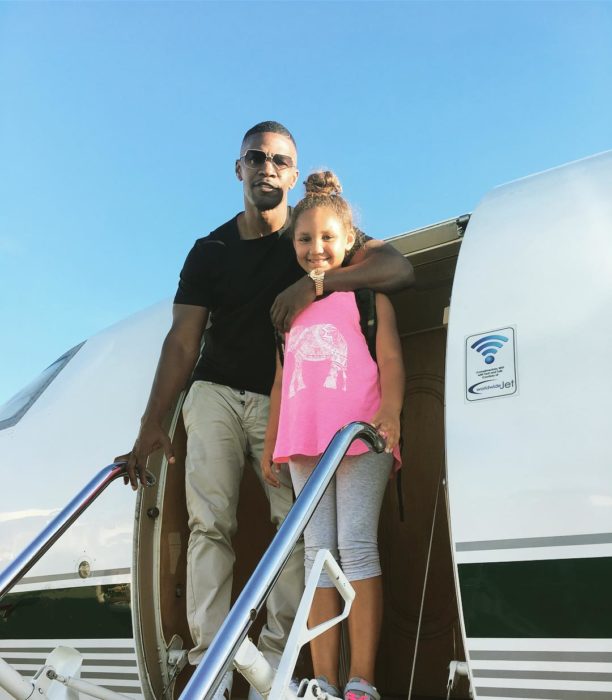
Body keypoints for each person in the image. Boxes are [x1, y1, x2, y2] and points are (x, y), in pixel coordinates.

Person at [117, 122, 413, 700]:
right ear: (240, 168)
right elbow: (182, 341)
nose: (267, 168)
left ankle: (280, 664)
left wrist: (317, 284)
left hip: (298, 412)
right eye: (257, 158)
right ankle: (212, 666)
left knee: (299, 535)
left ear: (295, 175)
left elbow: (396, 268)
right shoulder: (210, 250)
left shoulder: (310, 237)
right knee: (210, 525)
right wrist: (152, 424)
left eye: (280, 160)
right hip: (223, 395)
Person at [261, 171, 404, 700]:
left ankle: (360, 678)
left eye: (328, 237)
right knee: (319, 553)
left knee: (357, 548)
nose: (316, 248)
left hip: (360, 439)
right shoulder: (289, 312)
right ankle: (322, 677)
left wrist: (390, 414)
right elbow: (282, 380)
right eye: (304, 238)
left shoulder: (368, 297)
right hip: (304, 445)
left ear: (350, 242)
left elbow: (390, 360)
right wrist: (272, 440)